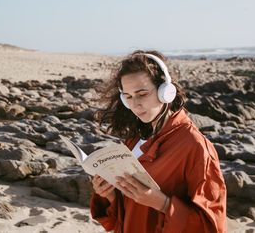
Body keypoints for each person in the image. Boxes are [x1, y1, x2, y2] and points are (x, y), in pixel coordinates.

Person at [90, 50, 226, 233]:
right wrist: (110, 195)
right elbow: (127, 214)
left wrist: (163, 204)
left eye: (142, 93)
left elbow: (211, 226)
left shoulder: (195, 146)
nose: (135, 104)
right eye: (128, 97)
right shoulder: (136, 139)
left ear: (165, 92)